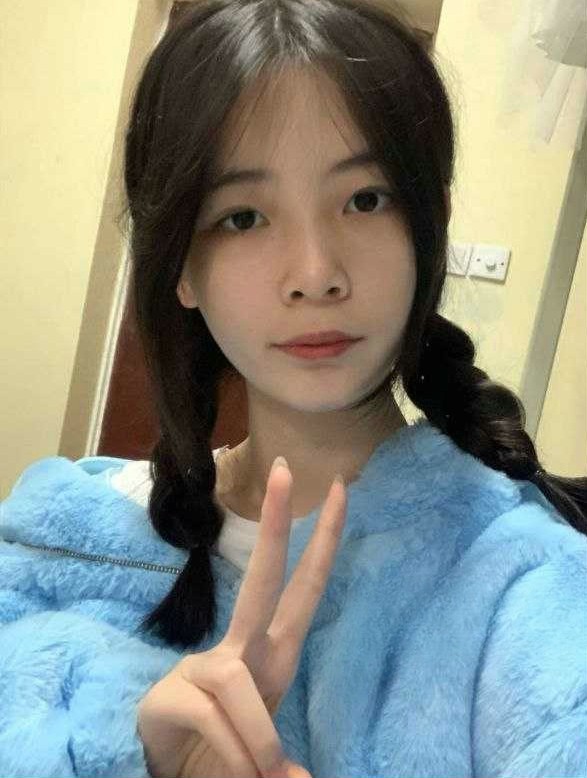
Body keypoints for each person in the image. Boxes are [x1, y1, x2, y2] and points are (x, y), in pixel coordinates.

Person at [1, 0, 586, 776]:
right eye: (243, 217)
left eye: (365, 199)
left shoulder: (521, 584)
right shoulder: (65, 542)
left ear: (429, 228)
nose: (315, 273)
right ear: (178, 263)